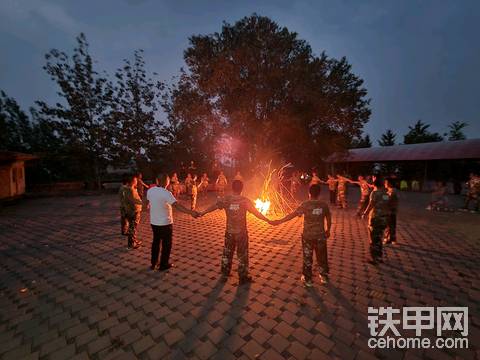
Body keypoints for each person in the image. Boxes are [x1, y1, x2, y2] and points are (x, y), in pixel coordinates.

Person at [198, 180, 272, 284]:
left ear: (232, 188)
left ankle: (225, 273)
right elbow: (257, 213)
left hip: (229, 232)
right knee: (242, 254)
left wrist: (202, 213)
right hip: (241, 233)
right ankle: (243, 277)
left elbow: (214, 206)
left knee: (227, 253)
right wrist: (268, 220)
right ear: (242, 189)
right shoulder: (245, 201)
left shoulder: (226, 200)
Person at [271, 184, 332, 287]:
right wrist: (328, 230)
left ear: (309, 193)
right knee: (322, 256)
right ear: (319, 193)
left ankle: (308, 280)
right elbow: (328, 217)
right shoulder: (323, 205)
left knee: (307, 257)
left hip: (308, 236)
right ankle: (324, 276)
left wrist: (279, 221)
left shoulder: (305, 204)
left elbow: (293, 214)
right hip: (320, 235)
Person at [146, 173, 198, 271]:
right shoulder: (166, 193)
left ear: (157, 181)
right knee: (166, 244)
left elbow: (147, 201)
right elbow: (177, 206)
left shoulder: (151, 190)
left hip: (154, 222)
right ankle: (163, 264)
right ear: (167, 182)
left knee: (156, 242)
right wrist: (190, 212)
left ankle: (153, 263)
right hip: (165, 223)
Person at [362, 177, 390, 265]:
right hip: (383, 217)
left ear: (375, 184)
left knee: (373, 238)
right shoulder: (385, 193)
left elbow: (371, 204)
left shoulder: (374, 193)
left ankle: (374, 258)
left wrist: (365, 213)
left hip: (375, 218)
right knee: (379, 237)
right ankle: (380, 257)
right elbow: (387, 204)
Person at [123, 174, 143, 250]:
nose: (137, 181)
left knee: (133, 227)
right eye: (135, 180)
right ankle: (131, 244)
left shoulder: (129, 189)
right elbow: (134, 200)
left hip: (131, 211)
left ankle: (134, 240)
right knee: (132, 228)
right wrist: (142, 203)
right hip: (134, 211)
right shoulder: (130, 190)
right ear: (132, 181)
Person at [384, 178, 398, 245]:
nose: (385, 184)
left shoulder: (392, 191)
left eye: (386, 183)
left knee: (389, 225)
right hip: (390, 210)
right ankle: (393, 239)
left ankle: (388, 239)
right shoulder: (390, 190)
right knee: (391, 225)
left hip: (390, 210)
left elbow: (387, 199)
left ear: (390, 184)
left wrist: (382, 195)